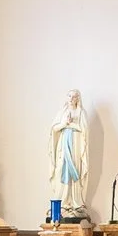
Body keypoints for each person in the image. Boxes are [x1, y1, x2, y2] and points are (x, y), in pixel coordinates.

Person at [49, 91, 88, 220]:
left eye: (74, 96)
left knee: (74, 171)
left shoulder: (81, 112)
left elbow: (84, 130)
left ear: (78, 99)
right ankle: (62, 203)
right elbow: (54, 129)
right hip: (63, 146)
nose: (72, 98)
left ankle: (75, 203)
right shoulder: (62, 112)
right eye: (69, 96)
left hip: (76, 146)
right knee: (61, 170)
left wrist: (71, 124)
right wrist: (65, 123)